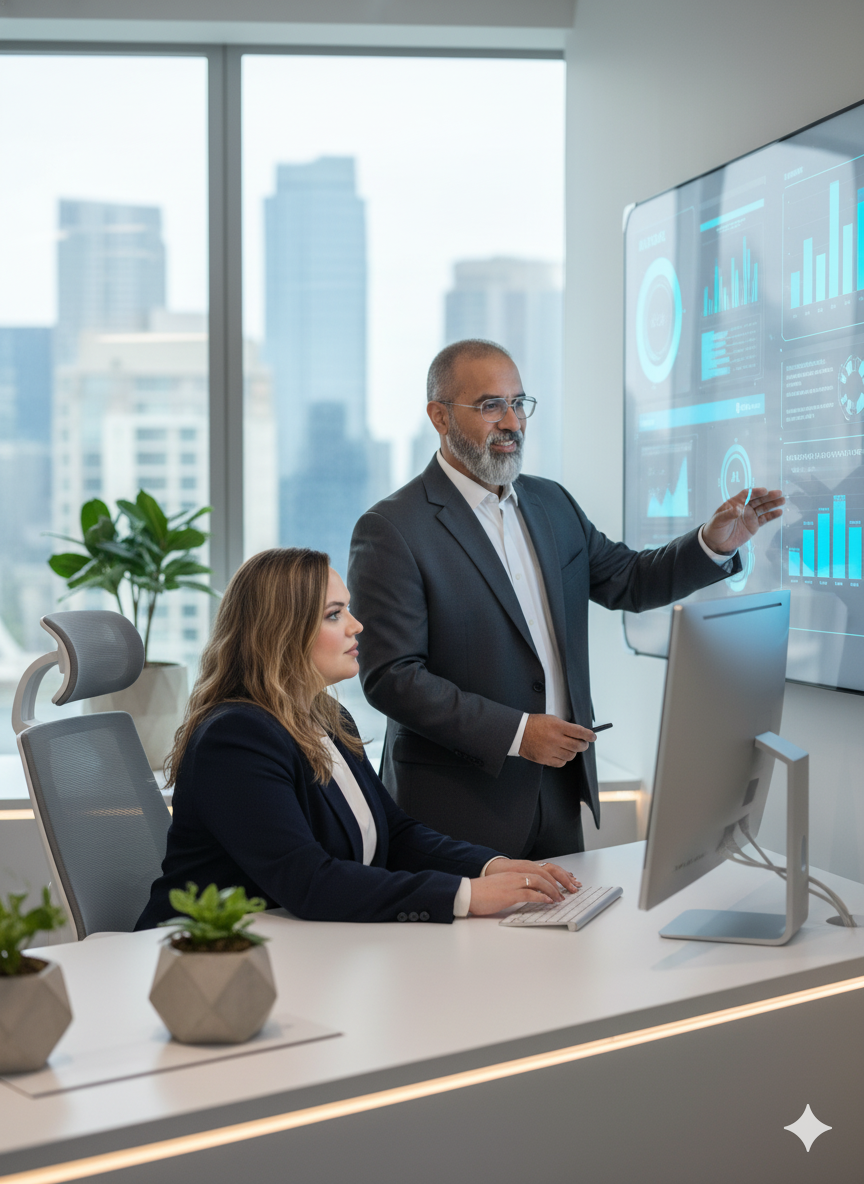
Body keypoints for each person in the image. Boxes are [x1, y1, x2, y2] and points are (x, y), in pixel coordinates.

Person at [347, 339, 785, 859]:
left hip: (557, 797)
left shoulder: (551, 503)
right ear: (439, 417)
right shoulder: (392, 529)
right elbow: (391, 678)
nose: (512, 422)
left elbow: (630, 579)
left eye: (519, 402)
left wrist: (712, 545)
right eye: (491, 406)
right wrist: (517, 732)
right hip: (453, 811)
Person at [136, 548, 579, 929]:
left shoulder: (328, 717)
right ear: (281, 632)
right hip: (206, 962)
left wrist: (490, 867)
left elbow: (397, 833)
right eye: (334, 614)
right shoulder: (236, 738)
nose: (356, 626)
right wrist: (466, 896)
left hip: (299, 946)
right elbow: (309, 881)